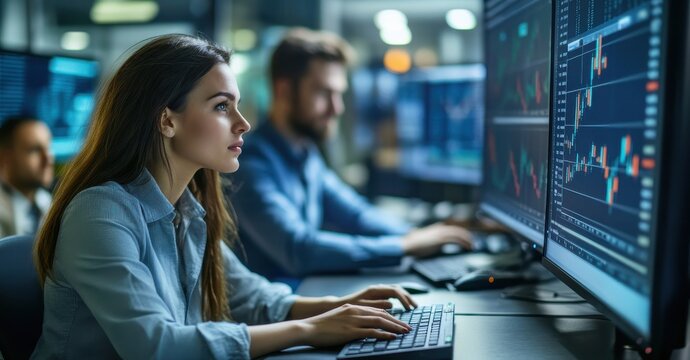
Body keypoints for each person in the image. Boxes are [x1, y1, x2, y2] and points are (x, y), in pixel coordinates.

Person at [31, 34, 417, 359]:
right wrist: (309, 329)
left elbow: (253, 299)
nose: (243, 123)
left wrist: (343, 305)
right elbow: (156, 346)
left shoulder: (186, 209)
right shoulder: (101, 214)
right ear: (167, 120)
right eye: (221, 106)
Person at [227, 28, 472, 280]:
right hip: (271, 316)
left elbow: (355, 214)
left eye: (339, 94)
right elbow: (297, 249)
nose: (337, 108)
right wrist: (403, 246)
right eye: (324, 93)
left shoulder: (305, 153)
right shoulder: (249, 163)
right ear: (284, 91)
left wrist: (416, 235)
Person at [0, 116, 53, 238]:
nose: (48, 159)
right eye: (34, 150)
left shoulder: (47, 202)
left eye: (48, 148)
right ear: (4, 158)